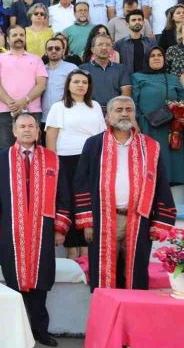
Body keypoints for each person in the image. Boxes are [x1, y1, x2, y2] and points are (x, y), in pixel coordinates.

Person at [74, 96, 177, 291]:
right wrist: (87, 221)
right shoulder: (94, 144)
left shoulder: (150, 146)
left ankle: (133, 317)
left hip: (138, 219)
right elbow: (81, 184)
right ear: (108, 116)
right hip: (103, 218)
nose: (124, 113)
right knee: (103, 274)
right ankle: (105, 317)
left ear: (135, 114)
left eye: (128, 110)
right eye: (119, 109)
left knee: (135, 274)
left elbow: (162, 184)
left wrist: (159, 222)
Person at [0, 114, 70, 347]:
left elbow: (63, 195)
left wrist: (60, 227)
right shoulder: (0, 160)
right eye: (22, 126)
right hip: (11, 230)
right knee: (14, 281)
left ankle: (40, 330)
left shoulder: (52, 160)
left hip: (42, 230)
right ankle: (14, 332)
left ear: (38, 131)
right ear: (13, 131)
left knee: (41, 281)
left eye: (31, 126)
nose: (26, 130)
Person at [45, 70, 106, 259]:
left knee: (87, 201)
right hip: (66, 158)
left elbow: (101, 135)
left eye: (85, 82)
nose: (81, 85)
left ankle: (85, 247)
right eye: (76, 82)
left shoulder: (95, 106)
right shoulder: (59, 107)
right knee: (70, 201)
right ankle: (72, 248)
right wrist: (52, 163)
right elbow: (51, 137)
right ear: (68, 85)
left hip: (91, 159)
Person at [0, 25, 48, 148]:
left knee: (33, 148)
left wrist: (23, 101)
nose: (18, 37)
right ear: (8, 39)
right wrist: (12, 104)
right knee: (6, 150)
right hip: (5, 111)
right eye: (14, 35)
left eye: (21, 35)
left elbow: (41, 84)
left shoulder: (36, 59)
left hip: (32, 111)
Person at [132, 46, 184, 184]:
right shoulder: (137, 77)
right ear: (147, 59)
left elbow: (182, 99)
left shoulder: (173, 78)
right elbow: (133, 103)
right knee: (152, 167)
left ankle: (173, 203)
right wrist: (136, 122)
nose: (156, 58)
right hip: (149, 127)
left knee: (175, 168)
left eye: (159, 55)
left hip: (172, 129)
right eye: (152, 55)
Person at [79, 34, 132, 111]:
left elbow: (126, 93)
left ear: (112, 49)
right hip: (90, 111)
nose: (104, 48)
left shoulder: (121, 68)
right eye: (100, 44)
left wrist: (113, 111)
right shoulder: (83, 69)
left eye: (108, 45)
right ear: (92, 49)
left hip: (115, 111)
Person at [41, 35, 79, 125]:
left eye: (57, 48)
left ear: (63, 50)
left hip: (67, 117)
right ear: (46, 52)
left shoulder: (72, 68)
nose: (53, 51)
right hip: (45, 118)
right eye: (50, 49)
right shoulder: (41, 69)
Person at [113, 9, 158, 76]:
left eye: (139, 20)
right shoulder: (119, 44)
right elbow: (115, 66)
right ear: (127, 24)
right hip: (128, 81)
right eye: (133, 20)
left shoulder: (151, 42)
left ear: (143, 23)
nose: (137, 22)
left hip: (148, 81)